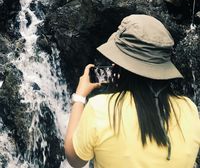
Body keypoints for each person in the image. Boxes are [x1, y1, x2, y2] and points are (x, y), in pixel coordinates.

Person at [64, 14, 200, 168]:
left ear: (120, 64)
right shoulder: (190, 109)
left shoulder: (100, 109)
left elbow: (75, 160)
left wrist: (80, 96)